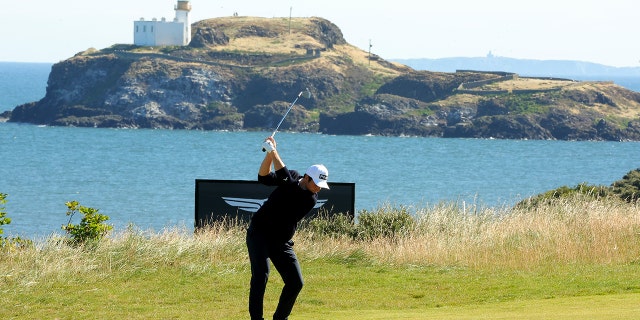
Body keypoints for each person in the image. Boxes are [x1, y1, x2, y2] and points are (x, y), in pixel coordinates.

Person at [246, 136, 329, 320]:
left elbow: (288, 183)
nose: (319, 188)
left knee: (295, 282)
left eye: (322, 185)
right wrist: (269, 153)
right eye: (317, 183)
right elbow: (263, 177)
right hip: (259, 234)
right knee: (261, 277)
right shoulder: (292, 176)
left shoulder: (309, 199)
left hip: (280, 241)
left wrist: (274, 151)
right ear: (306, 177)